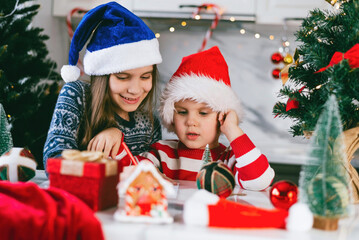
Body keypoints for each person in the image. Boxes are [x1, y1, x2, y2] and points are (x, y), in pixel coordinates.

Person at [118, 46, 274, 191]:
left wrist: (232, 129)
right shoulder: (162, 153)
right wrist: (113, 135)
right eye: (182, 112)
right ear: (171, 116)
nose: (191, 121)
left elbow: (260, 180)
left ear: (222, 117)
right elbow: (125, 170)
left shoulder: (228, 160)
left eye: (203, 113)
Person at [43, 2, 162, 170]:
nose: (135, 89)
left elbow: (151, 175)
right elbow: (54, 162)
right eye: (122, 77)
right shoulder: (76, 95)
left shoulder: (151, 123)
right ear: (103, 77)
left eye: (145, 77)